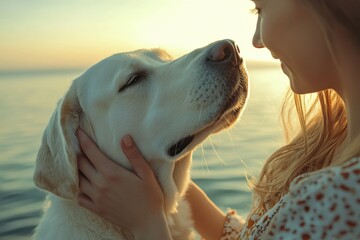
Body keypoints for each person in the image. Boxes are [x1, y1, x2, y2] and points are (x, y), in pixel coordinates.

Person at [76, 0, 360, 239]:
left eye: (260, 9)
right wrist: (170, 191)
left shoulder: (340, 194)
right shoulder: (335, 142)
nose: (256, 41)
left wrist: (147, 223)